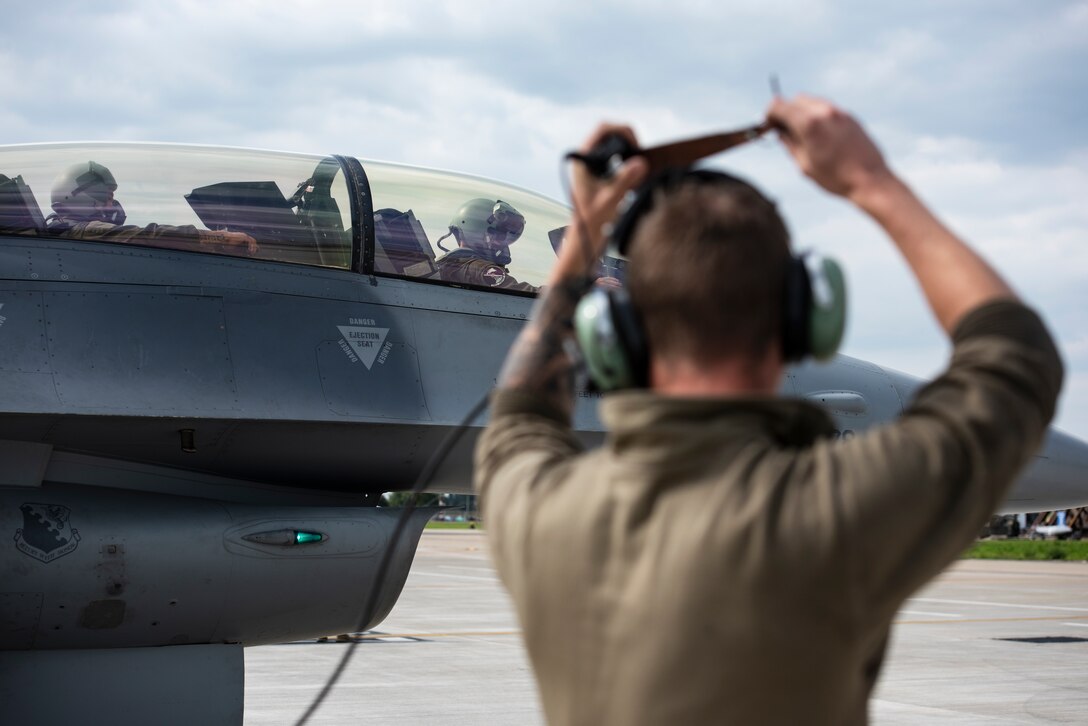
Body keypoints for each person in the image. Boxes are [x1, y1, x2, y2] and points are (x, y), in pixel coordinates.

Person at [474, 95, 1063, 725]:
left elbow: (520, 418)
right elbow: (1013, 359)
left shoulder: (538, 509)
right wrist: (871, 181)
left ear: (613, 335)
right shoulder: (838, 510)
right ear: (806, 318)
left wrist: (586, 235)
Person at [46, 161, 258, 255]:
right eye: (105, 197)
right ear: (74, 196)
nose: (111, 205)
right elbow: (148, 236)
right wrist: (220, 238)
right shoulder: (82, 230)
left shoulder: (63, 230)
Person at [434, 198, 538, 292]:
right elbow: (524, 293)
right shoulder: (479, 269)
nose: (500, 244)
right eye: (496, 236)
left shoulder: (448, 264)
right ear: (474, 230)